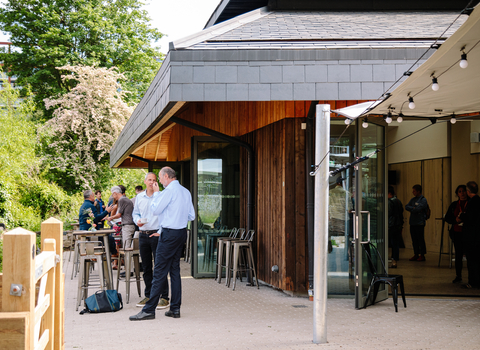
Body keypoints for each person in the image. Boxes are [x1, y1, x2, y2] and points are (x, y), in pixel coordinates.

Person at [130, 166, 195, 321]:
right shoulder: (186, 192)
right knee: (174, 271)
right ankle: (175, 309)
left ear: (166, 176)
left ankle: (149, 310)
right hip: (181, 233)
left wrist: (158, 194)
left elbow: (155, 210)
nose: (158, 181)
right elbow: (191, 216)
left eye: (159, 177)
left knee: (159, 271)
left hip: (169, 234)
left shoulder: (168, 192)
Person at [132, 172, 169, 309]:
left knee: (160, 266)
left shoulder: (160, 196)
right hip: (143, 234)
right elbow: (135, 213)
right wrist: (137, 221)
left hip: (156, 234)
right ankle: (148, 295)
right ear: (145, 181)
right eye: (149, 180)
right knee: (146, 267)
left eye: (154, 180)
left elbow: (165, 214)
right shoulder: (139, 197)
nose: (152, 182)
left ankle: (164, 297)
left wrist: (160, 232)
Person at [445, 184, 468, 283]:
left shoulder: (471, 203)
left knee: (470, 255)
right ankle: (458, 275)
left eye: (463, 191)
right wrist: (455, 220)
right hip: (457, 232)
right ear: (457, 194)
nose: (462, 193)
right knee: (458, 255)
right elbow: (447, 218)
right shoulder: (454, 204)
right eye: (460, 191)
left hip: (468, 232)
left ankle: (473, 276)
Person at [458, 181, 480, 289]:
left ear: (468, 191)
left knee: (471, 261)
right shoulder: (479, 201)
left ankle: (472, 282)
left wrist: (462, 215)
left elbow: (470, 218)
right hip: (477, 236)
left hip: (471, 236)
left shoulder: (472, 202)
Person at [405, 184, 428, 262]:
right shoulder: (413, 199)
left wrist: (413, 209)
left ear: (418, 191)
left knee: (420, 239)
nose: (413, 192)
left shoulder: (423, 200)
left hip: (419, 223)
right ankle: (416, 254)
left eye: (414, 191)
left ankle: (422, 255)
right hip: (413, 222)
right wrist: (413, 208)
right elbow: (406, 206)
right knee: (414, 239)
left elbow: (418, 209)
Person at [388, 186, 404, 268]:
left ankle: (393, 261)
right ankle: (395, 260)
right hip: (398, 225)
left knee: (392, 243)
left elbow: (388, 213)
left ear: (389, 194)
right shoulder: (398, 201)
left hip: (392, 225)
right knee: (395, 244)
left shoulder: (390, 202)